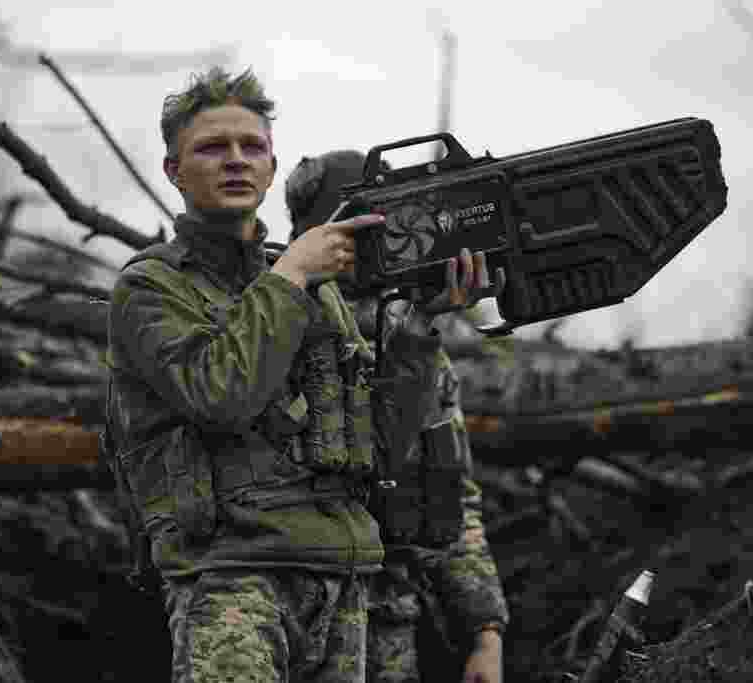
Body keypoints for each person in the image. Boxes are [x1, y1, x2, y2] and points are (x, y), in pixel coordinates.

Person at [105, 65, 500, 683]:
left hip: (341, 580)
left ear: (270, 165)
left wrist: (422, 327)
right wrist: (290, 277)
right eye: (212, 147)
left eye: (252, 146)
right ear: (173, 171)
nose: (235, 160)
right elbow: (220, 395)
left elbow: (381, 451)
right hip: (233, 579)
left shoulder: (316, 289)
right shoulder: (151, 288)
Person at [285, 150, 510, 683]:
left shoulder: (418, 344)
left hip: (390, 624)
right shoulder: (276, 335)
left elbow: (453, 493)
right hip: (297, 621)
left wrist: (485, 632)